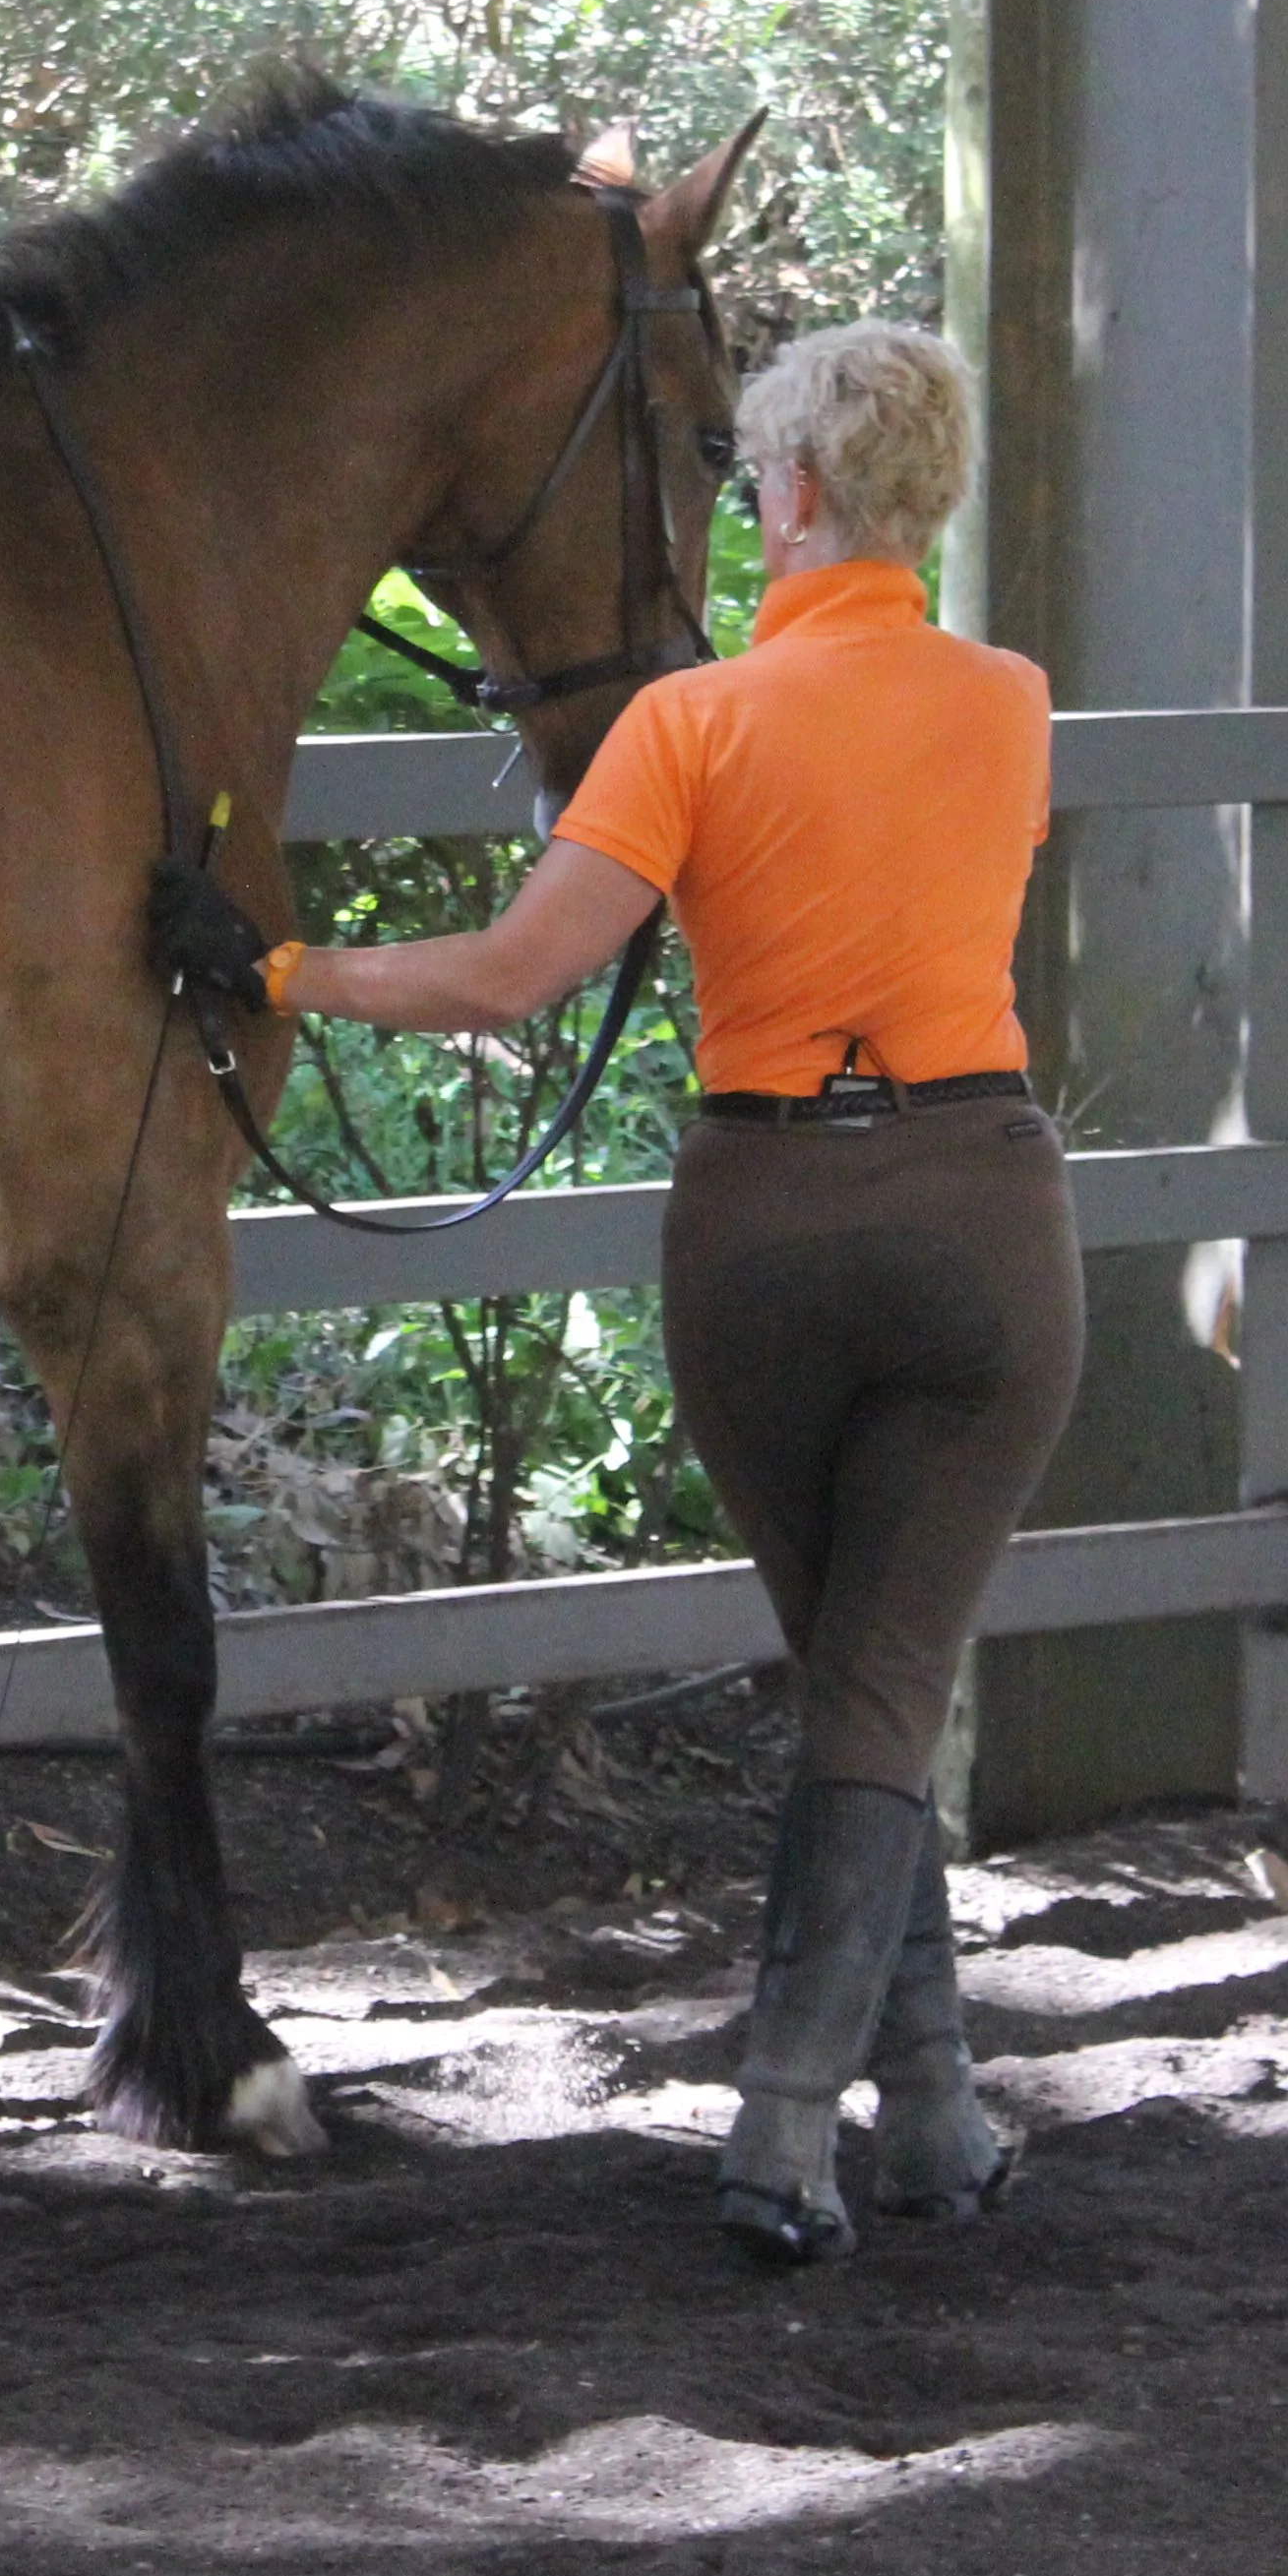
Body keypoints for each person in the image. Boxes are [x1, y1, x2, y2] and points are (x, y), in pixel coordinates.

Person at [205, 320, 1076, 2267]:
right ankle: (884, 2114)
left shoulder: (687, 728)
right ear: (916, 496)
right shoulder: (1011, 703)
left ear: (782, 494)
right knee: (886, 1674)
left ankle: (842, 2120)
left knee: (857, 1670)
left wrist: (274, 974)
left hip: (759, 1231)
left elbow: (510, 978)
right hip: (976, 1222)